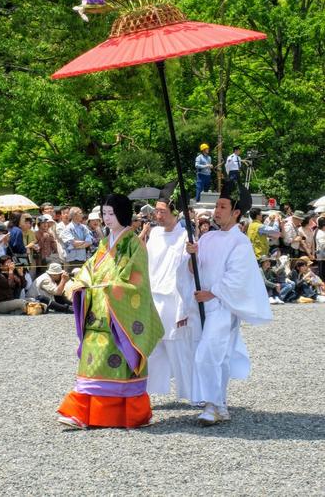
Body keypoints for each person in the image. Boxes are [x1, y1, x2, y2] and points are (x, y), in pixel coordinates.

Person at [57, 193, 164, 429]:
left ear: (122, 214)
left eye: (111, 213)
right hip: (97, 311)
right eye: (104, 214)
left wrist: (112, 289)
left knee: (116, 364)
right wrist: (80, 282)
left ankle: (130, 415)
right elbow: (90, 268)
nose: (107, 218)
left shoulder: (134, 244)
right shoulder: (105, 243)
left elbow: (137, 281)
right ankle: (81, 413)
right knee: (91, 361)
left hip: (118, 315)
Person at [185, 181, 272, 425]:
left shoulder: (240, 242)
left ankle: (211, 405)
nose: (217, 211)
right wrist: (192, 254)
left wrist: (211, 292)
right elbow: (194, 269)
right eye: (217, 206)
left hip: (223, 305)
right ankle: (220, 405)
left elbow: (237, 277)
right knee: (218, 356)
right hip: (205, 304)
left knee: (208, 353)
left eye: (223, 206)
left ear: (235, 212)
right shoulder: (209, 237)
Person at [146, 198, 192, 400]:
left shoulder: (185, 236)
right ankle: (149, 391)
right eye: (157, 211)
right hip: (153, 295)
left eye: (162, 211)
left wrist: (184, 306)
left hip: (173, 296)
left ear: (176, 212)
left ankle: (192, 392)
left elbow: (186, 270)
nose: (158, 215)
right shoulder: (154, 233)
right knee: (153, 346)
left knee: (178, 346)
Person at [60, 207, 93, 272]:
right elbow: (73, 243)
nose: (82, 215)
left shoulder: (84, 227)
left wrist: (78, 245)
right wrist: (84, 243)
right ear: (75, 215)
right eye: (80, 213)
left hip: (83, 258)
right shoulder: (67, 228)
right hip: (72, 259)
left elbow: (90, 241)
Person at [315, 217, 325, 281]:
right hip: (322, 256)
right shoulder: (320, 233)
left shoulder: (322, 232)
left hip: (322, 256)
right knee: (323, 274)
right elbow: (323, 245)